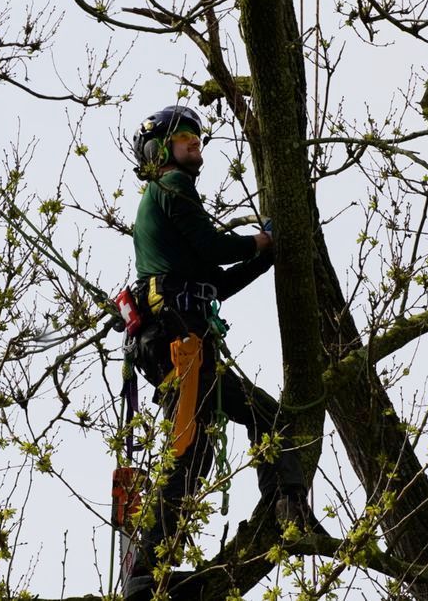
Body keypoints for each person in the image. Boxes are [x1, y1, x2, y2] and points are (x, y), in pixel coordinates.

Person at [122, 105, 319, 600]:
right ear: (161, 149)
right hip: (177, 341)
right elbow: (214, 248)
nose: (196, 140)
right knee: (209, 440)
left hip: (178, 341)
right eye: (184, 135)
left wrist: (266, 257)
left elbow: (217, 282)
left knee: (211, 443)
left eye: (197, 134)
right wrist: (259, 241)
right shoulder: (171, 186)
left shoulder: (170, 210)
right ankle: (147, 571)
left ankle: (155, 567)